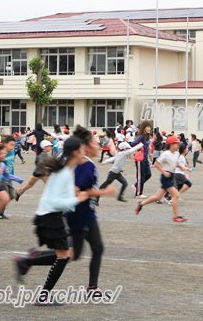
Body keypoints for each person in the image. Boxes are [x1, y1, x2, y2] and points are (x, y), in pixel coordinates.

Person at [12, 138, 90, 305]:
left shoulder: (65, 168)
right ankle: (43, 295)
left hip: (49, 215)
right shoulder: (64, 171)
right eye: (83, 148)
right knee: (64, 256)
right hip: (51, 216)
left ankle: (28, 261)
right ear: (76, 151)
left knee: (67, 254)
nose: (86, 150)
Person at [67, 126, 115, 296]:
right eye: (95, 142)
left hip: (86, 212)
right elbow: (78, 191)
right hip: (80, 214)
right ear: (86, 146)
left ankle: (92, 288)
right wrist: (104, 192)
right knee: (71, 253)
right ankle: (32, 259)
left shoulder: (86, 163)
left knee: (96, 248)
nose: (99, 145)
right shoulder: (86, 165)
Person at [135, 136, 187, 223]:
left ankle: (141, 204)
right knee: (176, 195)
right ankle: (175, 216)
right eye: (177, 144)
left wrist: (181, 166)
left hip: (171, 176)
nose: (178, 145)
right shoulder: (165, 154)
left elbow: (175, 162)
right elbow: (156, 164)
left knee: (157, 197)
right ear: (171, 144)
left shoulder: (176, 154)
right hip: (165, 177)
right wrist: (164, 172)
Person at [132, 121, 153, 198]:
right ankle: (138, 194)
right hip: (140, 159)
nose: (149, 128)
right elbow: (133, 143)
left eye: (149, 127)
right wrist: (139, 147)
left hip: (145, 158)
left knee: (148, 174)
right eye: (147, 127)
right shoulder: (141, 136)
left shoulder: (147, 136)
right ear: (143, 128)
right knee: (141, 176)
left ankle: (136, 185)